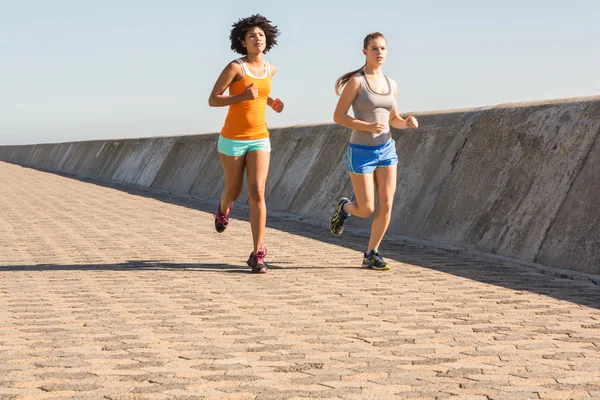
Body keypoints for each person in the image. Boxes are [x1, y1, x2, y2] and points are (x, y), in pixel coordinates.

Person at [329, 32, 419, 271]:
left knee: (387, 204)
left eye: (382, 49)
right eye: (374, 49)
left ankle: (372, 253)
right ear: (365, 52)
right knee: (367, 208)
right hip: (360, 151)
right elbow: (338, 116)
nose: (379, 53)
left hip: (387, 150)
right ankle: (344, 208)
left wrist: (406, 122)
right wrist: (367, 126)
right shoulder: (357, 82)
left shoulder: (392, 84)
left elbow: (393, 119)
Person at [208, 14, 283, 274]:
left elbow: (260, 95)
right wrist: (240, 96)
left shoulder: (270, 68)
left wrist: (271, 102)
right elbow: (213, 99)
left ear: (267, 39)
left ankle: (258, 252)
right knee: (235, 191)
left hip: (260, 137)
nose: (257, 39)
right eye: (252, 35)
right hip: (232, 140)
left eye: (261, 35)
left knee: (258, 192)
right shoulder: (235, 68)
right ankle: (223, 208)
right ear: (243, 41)